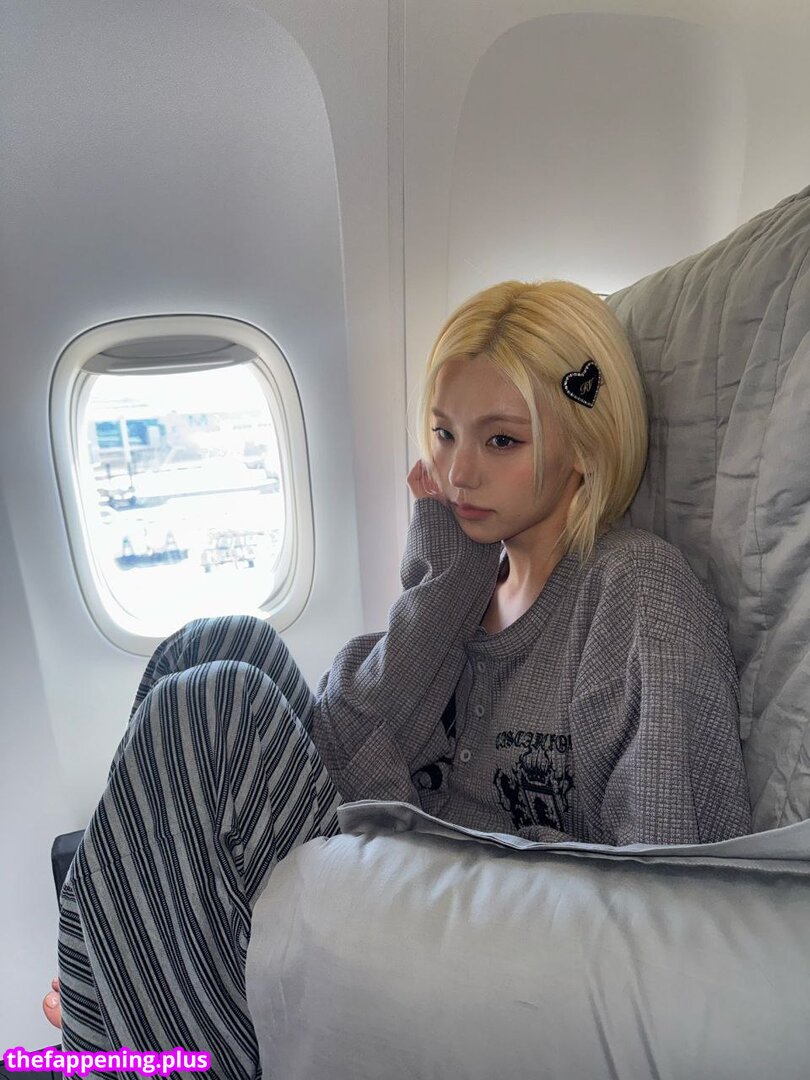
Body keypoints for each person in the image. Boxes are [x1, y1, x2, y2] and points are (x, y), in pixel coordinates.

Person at [45, 280, 752, 1077]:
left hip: (477, 943)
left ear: (586, 446)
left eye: (501, 441)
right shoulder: (469, 582)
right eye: (445, 434)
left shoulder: (635, 594)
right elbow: (344, 748)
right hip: (393, 872)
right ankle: (113, 983)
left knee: (212, 702)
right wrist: (443, 589)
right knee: (219, 643)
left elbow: (672, 897)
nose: (458, 473)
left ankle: (105, 1007)